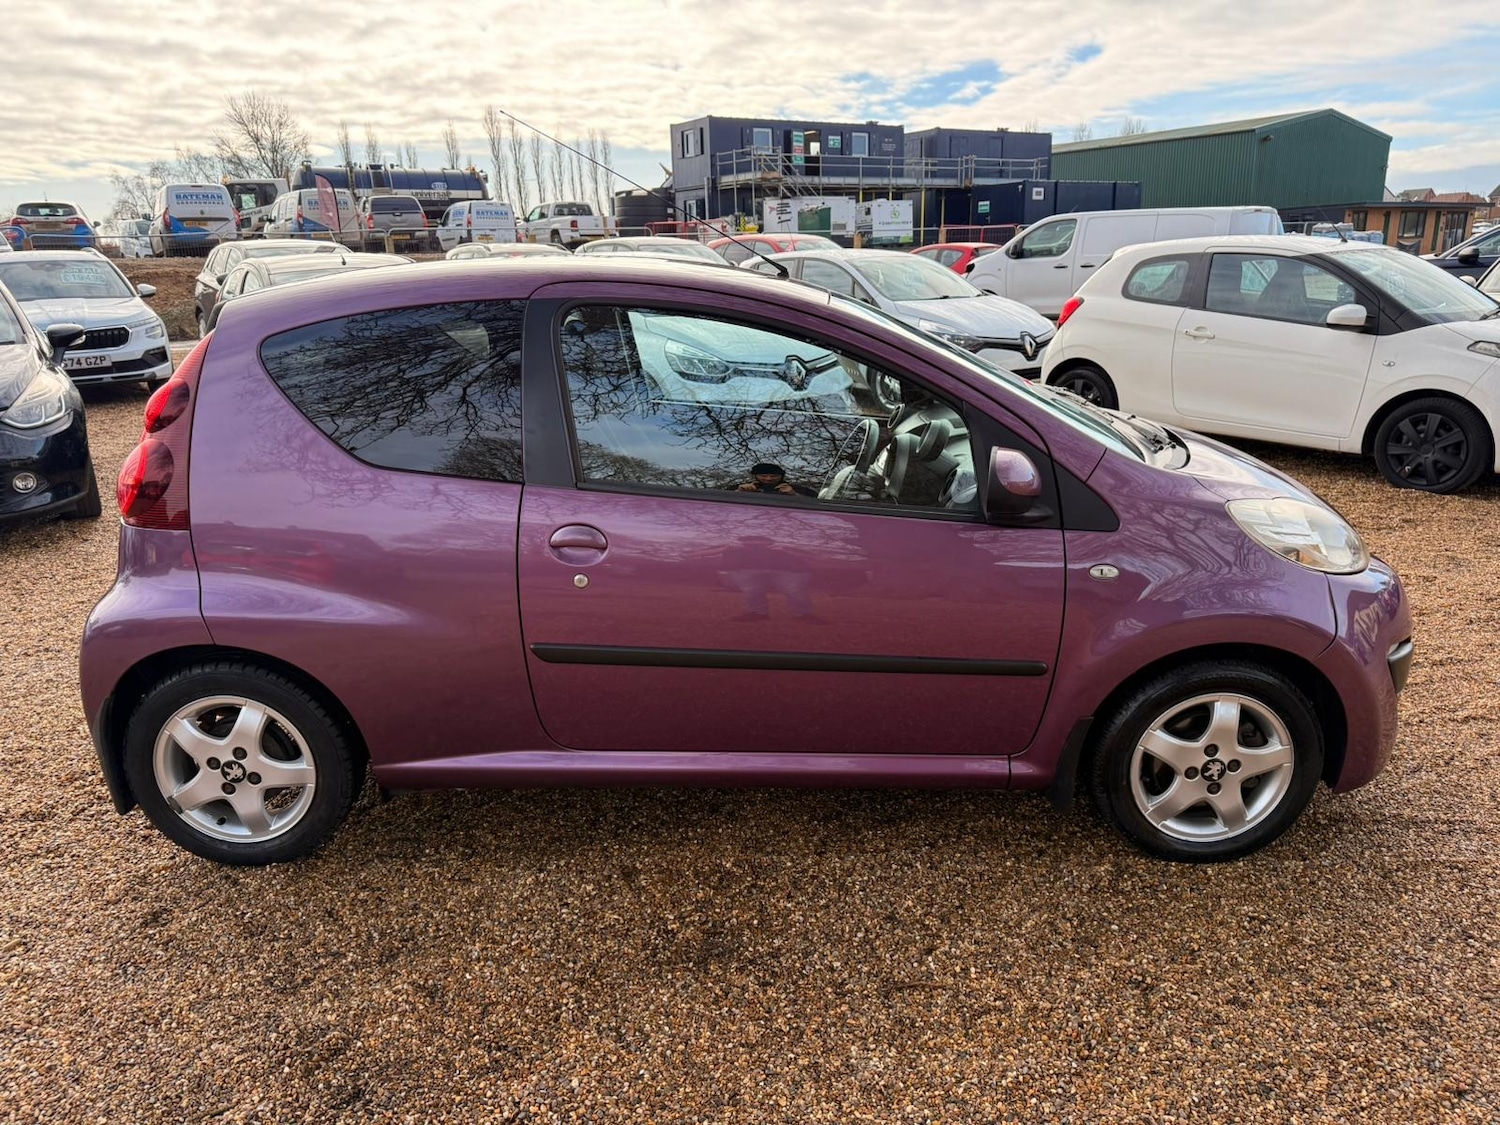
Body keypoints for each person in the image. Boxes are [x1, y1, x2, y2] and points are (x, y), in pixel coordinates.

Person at [734, 462, 817, 497]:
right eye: (763, 476)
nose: (768, 479)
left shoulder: (800, 490)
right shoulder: (739, 487)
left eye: (774, 476)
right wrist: (739, 493)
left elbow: (817, 504)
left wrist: (794, 495)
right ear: (754, 476)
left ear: (782, 476)